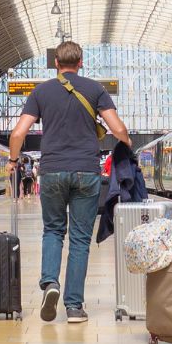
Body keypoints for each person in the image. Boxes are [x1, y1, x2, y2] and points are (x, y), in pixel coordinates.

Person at [8, 40, 131, 324]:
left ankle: (50, 283)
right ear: (81, 62)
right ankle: (74, 307)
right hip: (86, 172)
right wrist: (127, 145)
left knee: (52, 231)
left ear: (55, 64)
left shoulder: (41, 91)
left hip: (51, 171)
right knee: (79, 240)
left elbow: (17, 134)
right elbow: (118, 129)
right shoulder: (96, 89)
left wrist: (14, 162)